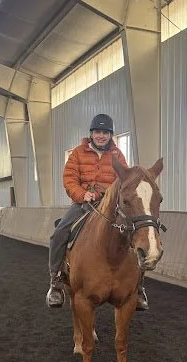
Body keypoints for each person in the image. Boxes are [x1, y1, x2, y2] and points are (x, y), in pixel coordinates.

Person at [46, 113, 149, 310]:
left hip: (110, 205)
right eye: (98, 132)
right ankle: (56, 282)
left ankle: (139, 287)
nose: (101, 136)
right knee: (59, 233)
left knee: (136, 233)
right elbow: (69, 179)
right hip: (83, 203)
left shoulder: (117, 156)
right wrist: (82, 194)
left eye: (105, 132)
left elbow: (125, 181)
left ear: (110, 135)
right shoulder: (77, 153)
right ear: (91, 134)